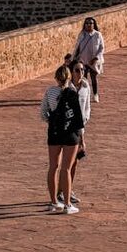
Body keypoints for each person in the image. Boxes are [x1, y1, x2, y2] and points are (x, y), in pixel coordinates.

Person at [40, 65, 84, 214]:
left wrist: (52, 122)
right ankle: (67, 204)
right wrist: (81, 137)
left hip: (54, 133)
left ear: (56, 77)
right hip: (70, 134)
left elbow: (43, 113)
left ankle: (54, 202)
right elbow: (78, 117)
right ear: (69, 77)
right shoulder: (72, 93)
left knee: (53, 167)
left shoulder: (50, 92)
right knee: (66, 168)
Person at [61, 61, 92, 206]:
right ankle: (61, 192)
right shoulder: (67, 88)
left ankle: (68, 189)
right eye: (77, 70)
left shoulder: (86, 87)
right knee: (66, 162)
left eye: (82, 70)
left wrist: (83, 129)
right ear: (71, 72)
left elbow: (87, 108)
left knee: (75, 162)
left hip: (79, 128)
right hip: (67, 128)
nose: (80, 73)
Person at [73, 17, 104, 103]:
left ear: (94, 24)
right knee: (83, 79)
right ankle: (85, 95)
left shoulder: (98, 34)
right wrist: (74, 58)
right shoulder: (82, 34)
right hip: (83, 60)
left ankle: (95, 94)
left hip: (94, 61)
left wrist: (95, 58)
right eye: (87, 23)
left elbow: (101, 48)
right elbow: (77, 47)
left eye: (90, 23)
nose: (89, 25)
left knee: (94, 78)